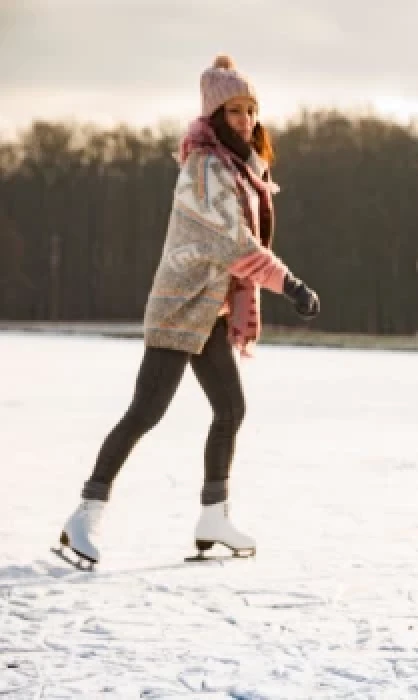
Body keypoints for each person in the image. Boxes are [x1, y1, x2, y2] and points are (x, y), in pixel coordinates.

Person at [54, 55, 321, 570]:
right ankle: (84, 515)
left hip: (212, 312)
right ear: (215, 114)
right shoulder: (204, 169)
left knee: (230, 409)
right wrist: (290, 284)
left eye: (251, 110)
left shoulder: (241, 168)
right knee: (146, 411)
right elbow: (234, 244)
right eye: (235, 110)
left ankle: (213, 516)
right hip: (180, 307)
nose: (246, 120)